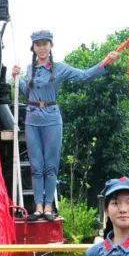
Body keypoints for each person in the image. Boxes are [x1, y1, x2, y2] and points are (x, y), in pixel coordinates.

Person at [11, 30, 121, 221]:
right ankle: (38, 207)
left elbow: (84, 76)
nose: (42, 47)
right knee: (37, 165)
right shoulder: (30, 69)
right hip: (32, 119)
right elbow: (25, 92)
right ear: (34, 47)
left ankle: (48, 208)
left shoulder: (59, 68)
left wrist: (105, 62)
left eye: (45, 43)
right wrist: (16, 78)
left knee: (50, 165)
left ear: (51, 45)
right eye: (38, 44)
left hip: (52, 119)